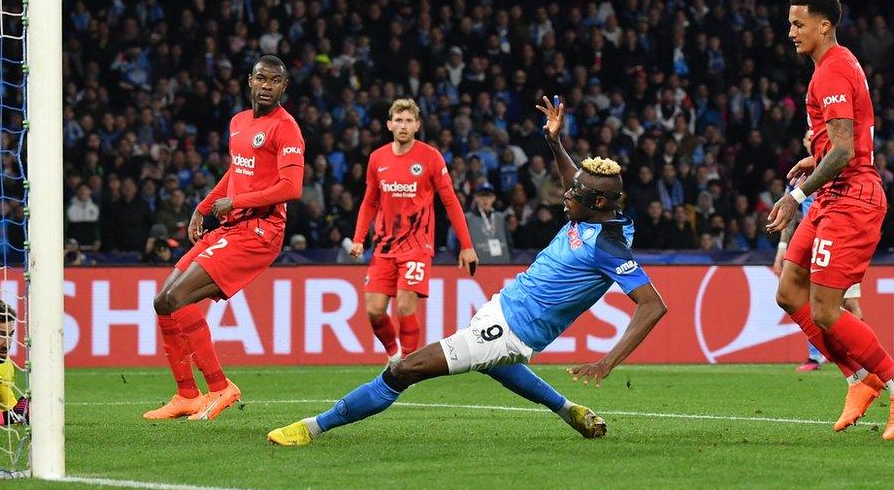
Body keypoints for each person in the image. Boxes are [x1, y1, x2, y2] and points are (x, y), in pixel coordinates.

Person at [268, 95, 667, 446]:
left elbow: (652, 305)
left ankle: (313, 427)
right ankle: (568, 410)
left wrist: (608, 361)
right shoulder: (594, 213)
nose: (565, 195)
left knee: (404, 369)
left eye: (575, 195)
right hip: (502, 306)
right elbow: (572, 179)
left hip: (511, 333)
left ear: (597, 204)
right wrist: (554, 140)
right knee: (499, 369)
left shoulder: (609, 247)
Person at [144, 55, 305, 421]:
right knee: (163, 301)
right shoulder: (238, 123)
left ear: (284, 87)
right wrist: (204, 206)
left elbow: (291, 187)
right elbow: (237, 169)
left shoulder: (286, 129)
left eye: (275, 81)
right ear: (249, 81)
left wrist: (237, 202)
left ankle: (219, 387)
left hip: (260, 231)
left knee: (176, 297)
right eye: (261, 78)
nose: (267, 86)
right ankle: (186, 394)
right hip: (232, 225)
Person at [769, 0, 894, 439]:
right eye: (790, 23)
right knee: (789, 292)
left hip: (851, 197)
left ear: (824, 25)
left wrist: (795, 195)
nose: (791, 32)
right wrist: (815, 155)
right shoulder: (834, 65)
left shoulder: (832, 71)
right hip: (834, 193)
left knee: (825, 310)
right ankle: (860, 380)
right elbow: (840, 141)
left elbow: (844, 149)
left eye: (798, 24)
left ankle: (890, 383)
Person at [351, 99, 477, 365]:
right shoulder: (377, 158)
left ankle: (408, 365)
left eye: (409, 121)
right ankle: (394, 355)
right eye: (398, 120)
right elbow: (369, 201)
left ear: (417, 125)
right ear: (389, 124)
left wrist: (466, 245)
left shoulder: (430, 157)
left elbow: (450, 201)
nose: (403, 126)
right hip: (384, 247)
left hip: (417, 246)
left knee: (405, 307)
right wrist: (359, 238)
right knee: (374, 311)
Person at [773, 130, 864, 372]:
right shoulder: (800, 176)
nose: (812, 137)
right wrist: (783, 246)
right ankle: (815, 356)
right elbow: (789, 213)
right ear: (805, 142)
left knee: (850, 302)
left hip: (842, 239)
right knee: (810, 300)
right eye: (808, 135)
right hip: (814, 242)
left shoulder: (839, 165)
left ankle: (862, 353)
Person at [466, 182, 513, 264]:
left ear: (494, 198)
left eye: (488, 196)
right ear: (476, 197)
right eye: (482, 196)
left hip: (502, 264)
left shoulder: (500, 217)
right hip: (478, 265)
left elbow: (509, 242)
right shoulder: (468, 218)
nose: (485, 199)